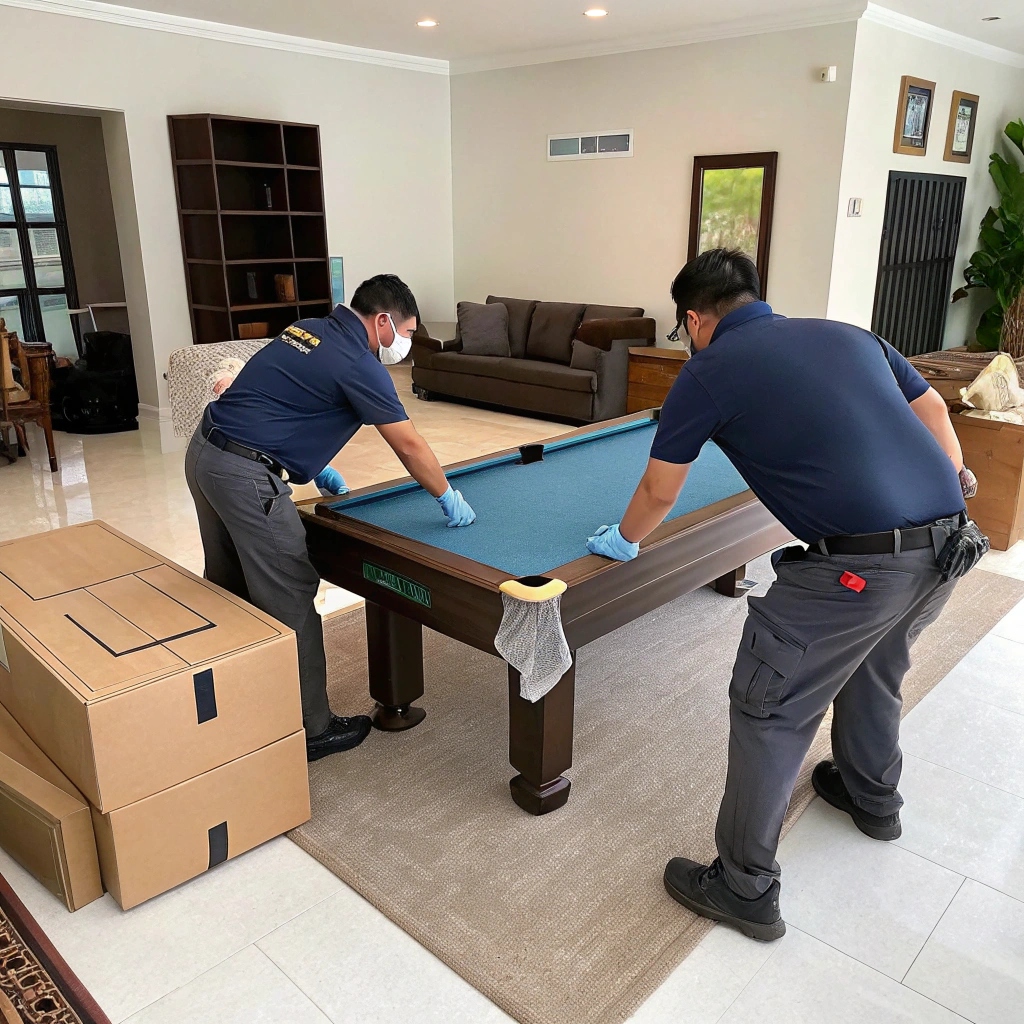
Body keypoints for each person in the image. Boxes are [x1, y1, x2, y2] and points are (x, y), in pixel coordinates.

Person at [586, 249, 986, 941]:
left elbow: (658, 490)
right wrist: (952, 478)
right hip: (950, 545)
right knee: (874, 667)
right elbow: (930, 406)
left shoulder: (708, 369)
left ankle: (743, 886)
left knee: (769, 705)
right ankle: (870, 796)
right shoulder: (849, 334)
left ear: (694, 319)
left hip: (858, 569)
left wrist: (623, 540)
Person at [185, 274, 476, 762]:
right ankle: (312, 729)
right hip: (243, 478)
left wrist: (312, 464)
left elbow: (273, 396)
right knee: (291, 593)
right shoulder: (360, 364)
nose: (405, 343)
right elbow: (408, 443)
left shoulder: (307, 329)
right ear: (383, 322)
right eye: (407, 332)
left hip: (205, 454)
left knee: (231, 588)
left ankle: (238, 703)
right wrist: (446, 495)